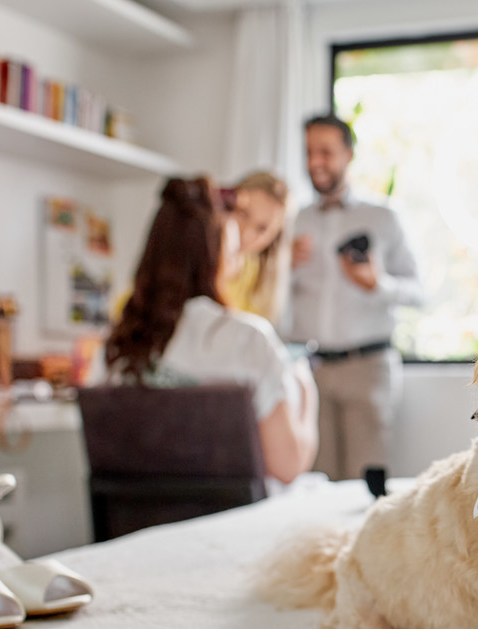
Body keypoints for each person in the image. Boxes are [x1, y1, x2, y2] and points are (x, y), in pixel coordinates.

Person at [100, 176, 318, 484]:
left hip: (144, 525)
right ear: (218, 251)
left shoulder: (119, 344)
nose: (244, 237)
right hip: (227, 522)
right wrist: (306, 394)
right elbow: (287, 466)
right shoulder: (248, 338)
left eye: (262, 228)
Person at [289, 114, 424, 482]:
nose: (315, 162)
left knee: (366, 486)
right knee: (314, 484)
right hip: (311, 370)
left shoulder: (383, 217)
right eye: (308, 152)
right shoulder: (293, 221)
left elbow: (419, 292)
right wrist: (282, 266)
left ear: (348, 154)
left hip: (367, 369)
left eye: (325, 152)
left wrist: (376, 284)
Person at [222, 171, 290, 325]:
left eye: (262, 228)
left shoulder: (259, 280)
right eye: (243, 214)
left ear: (273, 238)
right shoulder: (196, 259)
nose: (245, 233)